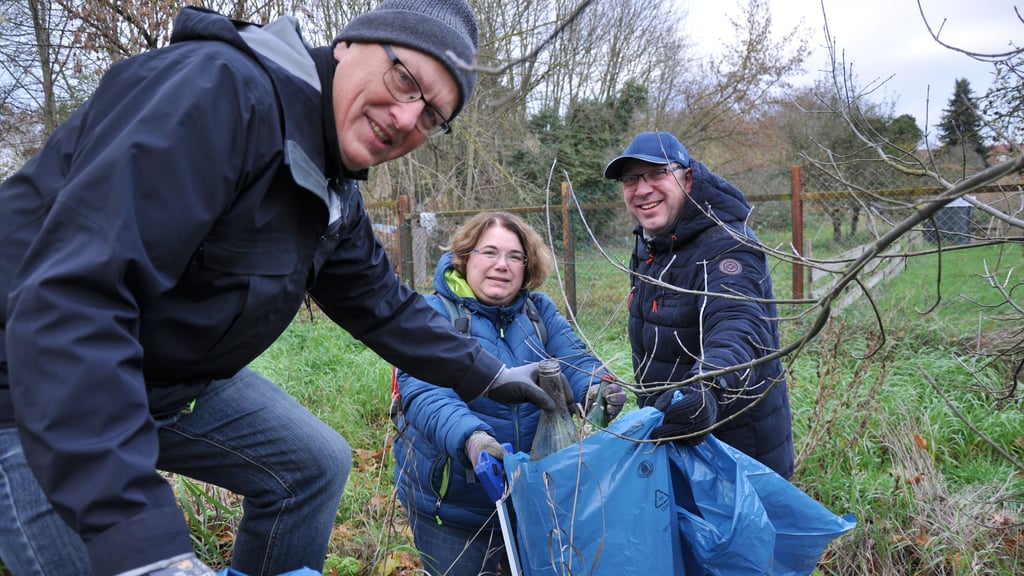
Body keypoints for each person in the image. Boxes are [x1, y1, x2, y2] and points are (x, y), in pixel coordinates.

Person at [0, 2, 566, 576]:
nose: (405, 119)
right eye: (405, 80)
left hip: (163, 381)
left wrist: (489, 373)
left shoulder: (331, 185)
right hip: (31, 385)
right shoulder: (218, 94)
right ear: (349, 43)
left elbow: (383, 307)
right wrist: (143, 546)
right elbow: (72, 299)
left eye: (430, 117)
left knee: (313, 465)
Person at [391, 212, 627, 576]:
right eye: (489, 252)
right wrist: (473, 439)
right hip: (456, 507)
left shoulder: (538, 312)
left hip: (535, 498)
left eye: (514, 256)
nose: (502, 265)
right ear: (465, 257)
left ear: (527, 265)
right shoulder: (431, 314)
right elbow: (426, 394)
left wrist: (598, 388)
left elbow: (576, 361)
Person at [603, 131, 795, 478]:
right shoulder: (651, 244)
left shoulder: (727, 245)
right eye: (631, 179)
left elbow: (739, 325)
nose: (642, 189)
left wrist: (706, 387)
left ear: (687, 178)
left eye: (657, 174)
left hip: (736, 454)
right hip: (677, 439)